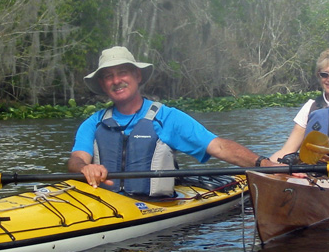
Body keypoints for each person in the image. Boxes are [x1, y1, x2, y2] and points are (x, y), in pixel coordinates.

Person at [69, 46, 272, 197]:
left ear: (137, 75)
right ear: (103, 84)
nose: (116, 81)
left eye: (122, 72)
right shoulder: (93, 123)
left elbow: (218, 146)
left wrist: (262, 163)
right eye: (108, 76)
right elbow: (76, 160)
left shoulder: (167, 118)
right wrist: (84, 168)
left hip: (155, 208)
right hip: (105, 204)